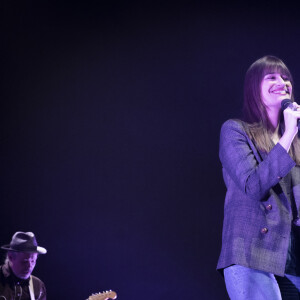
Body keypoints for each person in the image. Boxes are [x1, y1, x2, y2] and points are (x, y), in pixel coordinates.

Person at [217, 55, 300, 299]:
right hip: (251, 253)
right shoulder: (235, 131)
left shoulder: (296, 145)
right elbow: (254, 187)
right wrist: (289, 134)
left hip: (292, 259)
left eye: (286, 78)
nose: (282, 82)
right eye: (272, 77)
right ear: (254, 88)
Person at [0, 231, 47, 300]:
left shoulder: (38, 286)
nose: (29, 266)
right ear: (10, 257)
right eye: (24, 261)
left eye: (33, 261)